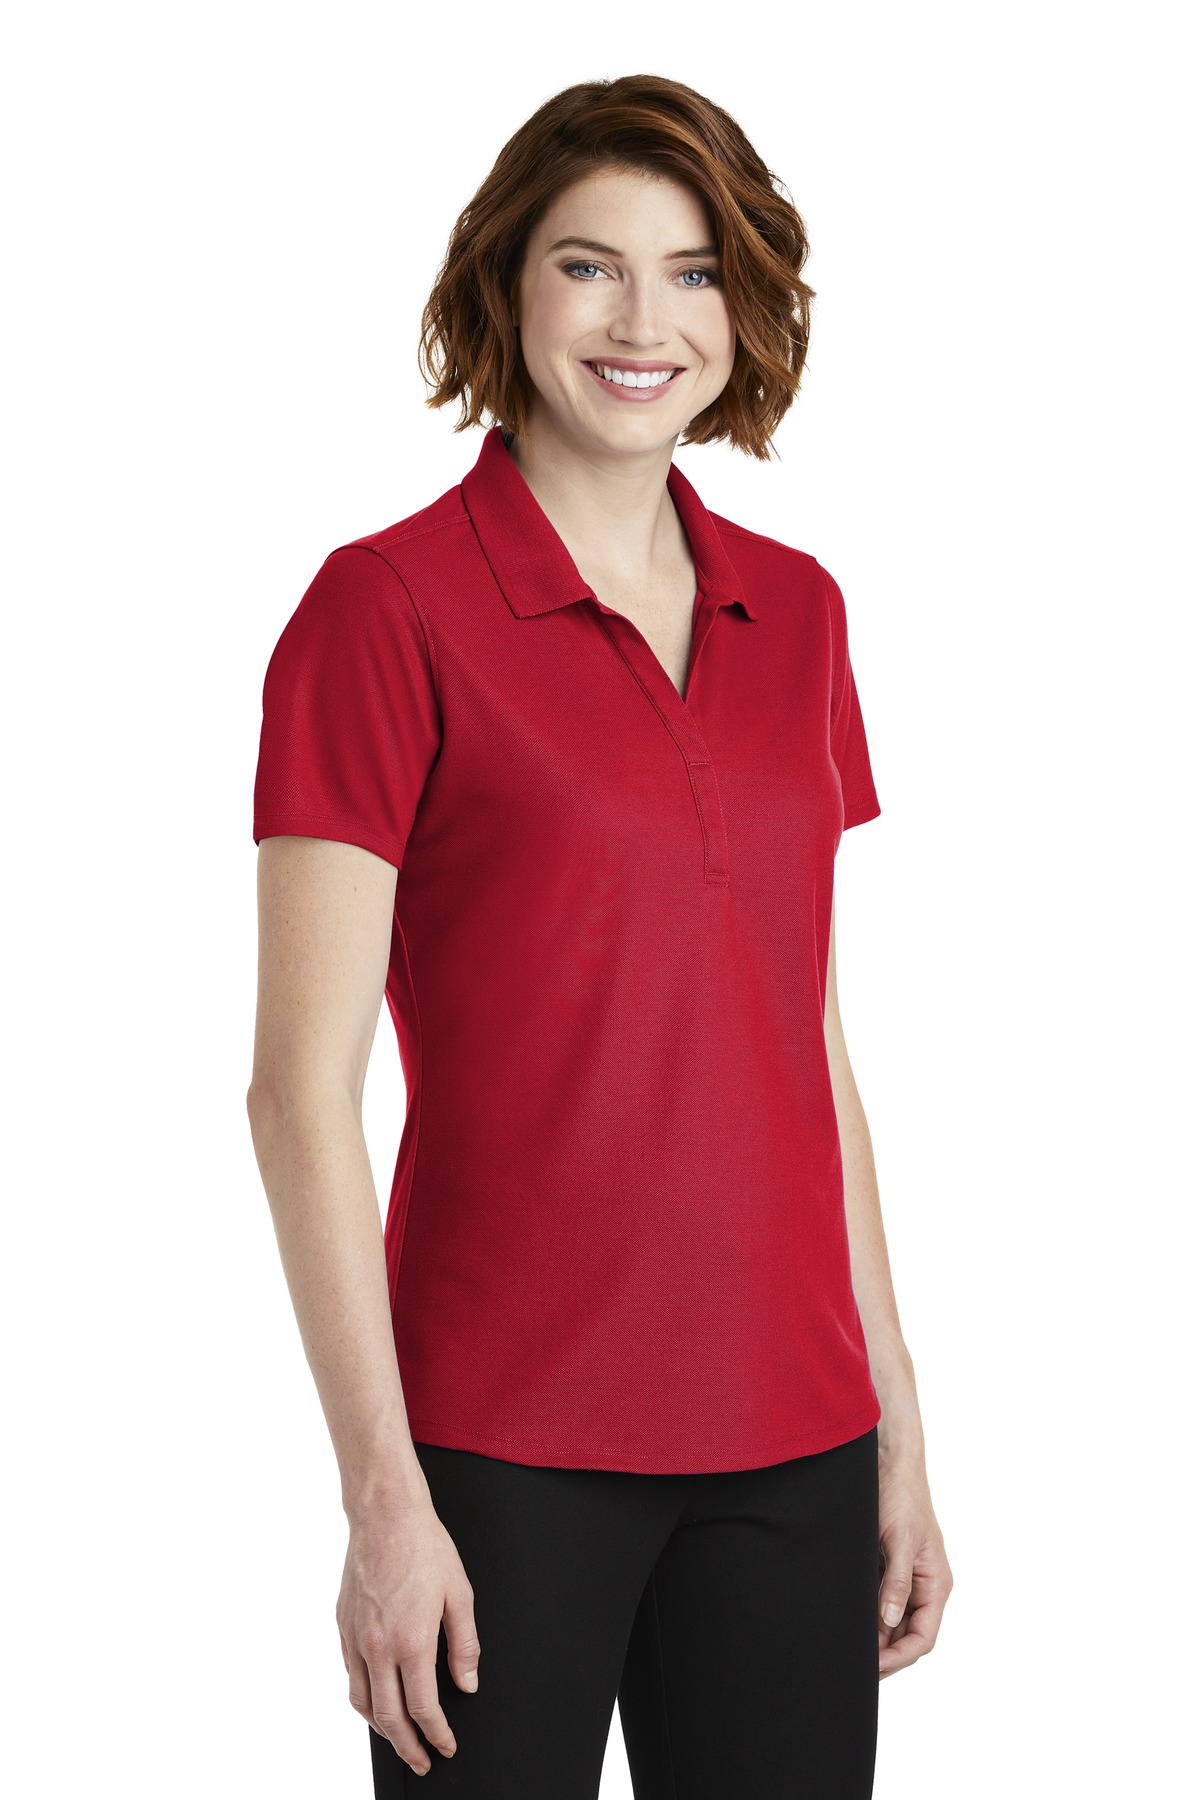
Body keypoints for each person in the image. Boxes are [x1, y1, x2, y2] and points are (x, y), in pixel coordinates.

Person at [247, 73, 952, 1799]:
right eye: (590, 266)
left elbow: (807, 1038)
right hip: (501, 1455)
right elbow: (298, 1096)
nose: (646, 324)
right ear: (506, 286)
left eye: (694, 272)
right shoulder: (383, 609)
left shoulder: (801, 612)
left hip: (795, 1442)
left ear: (745, 306)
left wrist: (896, 1415)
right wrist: (384, 1497)